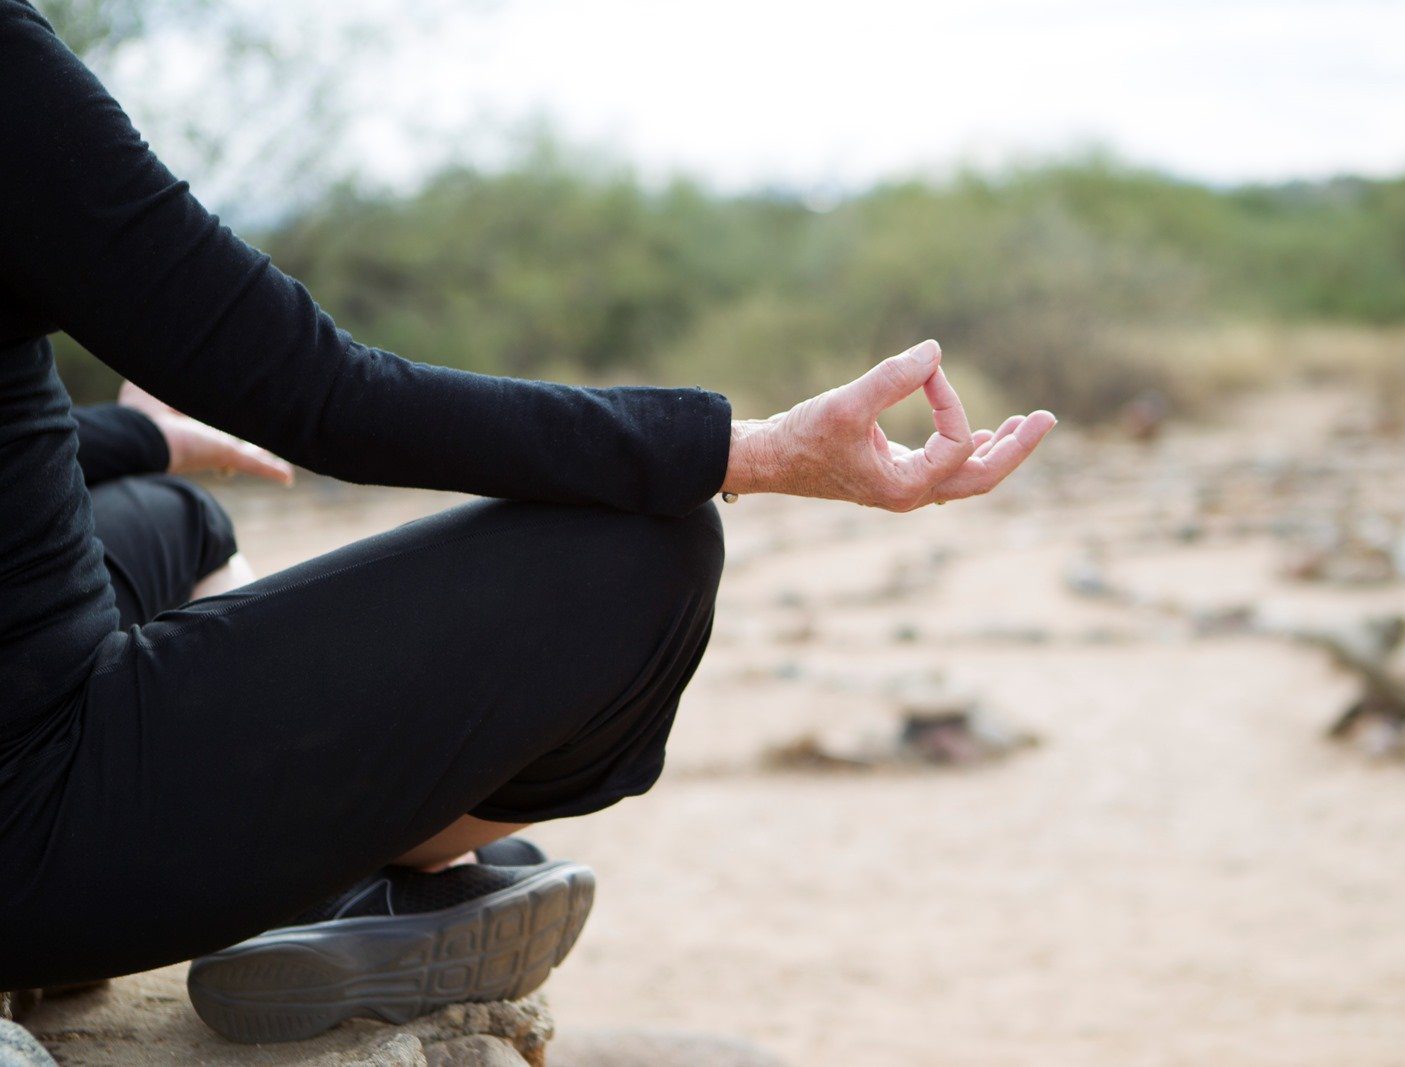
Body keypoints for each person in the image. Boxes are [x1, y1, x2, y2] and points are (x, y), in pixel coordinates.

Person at [0, 0, 1057, 1044]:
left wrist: (145, 440)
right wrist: (755, 451)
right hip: (28, 816)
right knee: (647, 552)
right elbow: (324, 395)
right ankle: (340, 879)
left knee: (176, 513)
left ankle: (229, 863)